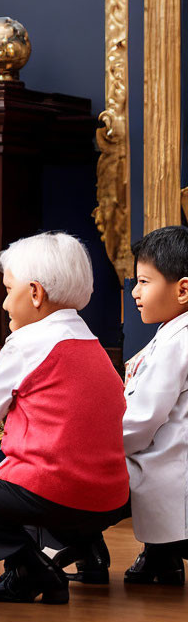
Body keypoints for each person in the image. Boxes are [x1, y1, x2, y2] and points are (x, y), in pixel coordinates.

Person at [0, 232, 130, 604]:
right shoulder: (89, 342)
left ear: (34, 293)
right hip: (112, 499)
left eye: (8, 290)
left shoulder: (25, 343)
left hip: (59, 495)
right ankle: (88, 552)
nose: (4, 302)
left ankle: (28, 567)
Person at [121, 225, 188, 585]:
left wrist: (99, 446)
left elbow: (141, 422)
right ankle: (160, 555)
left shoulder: (177, 344)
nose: (135, 292)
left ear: (183, 289)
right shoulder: (173, 333)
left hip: (170, 470)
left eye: (145, 282)